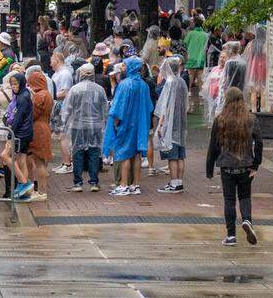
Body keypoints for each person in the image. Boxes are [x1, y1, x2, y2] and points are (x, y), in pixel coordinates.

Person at [206, 87, 262, 246]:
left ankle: (231, 235)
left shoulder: (220, 119)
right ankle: (247, 220)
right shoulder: (251, 119)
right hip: (246, 165)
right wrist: (256, 164)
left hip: (227, 166)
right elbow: (259, 142)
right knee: (245, 197)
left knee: (229, 200)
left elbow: (213, 146)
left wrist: (209, 168)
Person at [104, 56, 154, 196]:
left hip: (125, 125)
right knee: (136, 154)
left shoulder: (124, 85)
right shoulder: (143, 85)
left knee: (124, 154)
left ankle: (124, 184)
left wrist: (116, 124)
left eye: (125, 65)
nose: (123, 68)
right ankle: (135, 185)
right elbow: (149, 106)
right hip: (139, 124)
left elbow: (118, 108)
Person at [62, 62, 108, 192]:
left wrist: (63, 124)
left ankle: (78, 182)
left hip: (78, 125)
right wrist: (105, 125)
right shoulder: (99, 89)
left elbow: (67, 109)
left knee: (78, 152)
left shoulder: (75, 89)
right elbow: (105, 109)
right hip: (96, 125)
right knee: (94, 152)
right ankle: (94, 182)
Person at [154, 57, 188, 194]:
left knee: (172, 155)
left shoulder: (169, 83)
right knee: (180, 155)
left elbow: (165, 106)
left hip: (171, 123)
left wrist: (161, 124)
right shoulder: (181, 82)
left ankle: (174, 183)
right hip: (181, 123)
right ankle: (179, 182)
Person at [7, 72, 35, 201]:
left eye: (15, 83)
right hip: (25, 132)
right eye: (11, 84)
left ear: (22, 83)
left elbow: (18, 118)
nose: (13, 86)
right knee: (21, 160)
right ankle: (24, 192)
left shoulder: (22, 97)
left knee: (4, 155)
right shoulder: (23, 95)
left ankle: (24, 183)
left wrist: (10, 134)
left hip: (21, 133)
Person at [26, 68, 53, 200]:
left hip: (38, 129)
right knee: (41, 162)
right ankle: (42, 190)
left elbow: (33, 114)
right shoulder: (47, 93)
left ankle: (41, 192)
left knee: (39, 162)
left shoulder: (38, 96)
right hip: (45, 126)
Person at [184, 19, 209, 111]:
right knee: (200, 76)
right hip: (201, 57)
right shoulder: (205, 35)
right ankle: (200, 92)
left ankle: (189, 91)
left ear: (194, 24)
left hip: (191, 57)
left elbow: (185, 43)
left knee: (190, 75)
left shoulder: (190, 33)